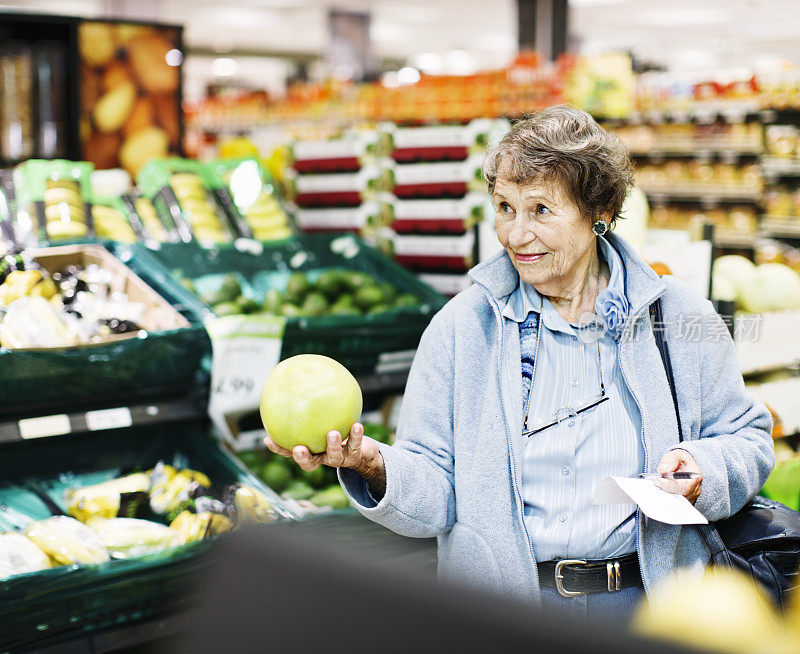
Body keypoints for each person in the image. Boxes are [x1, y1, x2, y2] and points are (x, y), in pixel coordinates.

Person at [265, 105, 774, 621]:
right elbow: (437, 492)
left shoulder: (675, 315)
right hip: (504, 614)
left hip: (649, 610)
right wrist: (370, 463)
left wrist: (703, 472)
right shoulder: (463, 328)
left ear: (597, 209)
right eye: (505, 207)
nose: (515, 234)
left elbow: (748, 439)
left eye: (541, 210)